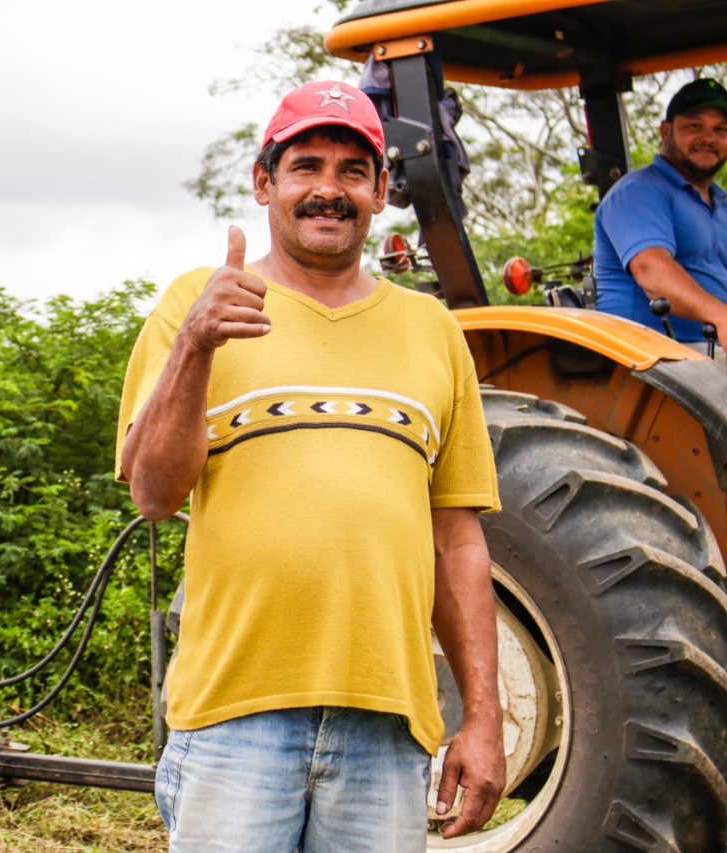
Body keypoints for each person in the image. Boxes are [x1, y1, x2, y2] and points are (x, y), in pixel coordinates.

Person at [115, 80, 505, 852]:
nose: (329, 189)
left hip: (387, 726)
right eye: (307, 166)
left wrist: (485, 717)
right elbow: (154, 493)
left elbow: (457, 542)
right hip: (235, 717)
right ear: (266, 182)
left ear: (382, 191)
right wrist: (197, 344)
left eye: (352, 170)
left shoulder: (431, 329)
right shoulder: (198, 304)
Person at [595, 77, 727, 352]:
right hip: (654, 356)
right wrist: (721, 316)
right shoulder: (639, 192)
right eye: (695, 126)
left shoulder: (720, 202)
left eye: (721, 129)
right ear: (666, 131)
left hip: (709, 350)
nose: (709, 138)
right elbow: (652, 272)